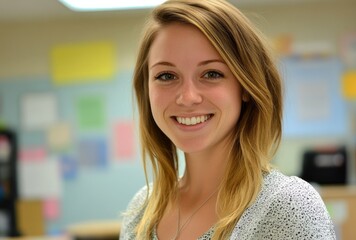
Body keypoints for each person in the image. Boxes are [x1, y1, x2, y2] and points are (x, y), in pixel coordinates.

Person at [120, 0, 336, 239]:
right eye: (167, 75)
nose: (188, 97)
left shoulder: (288, 206)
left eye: (212, 74)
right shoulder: (140, 211)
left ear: (245, 86)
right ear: (147, 89)